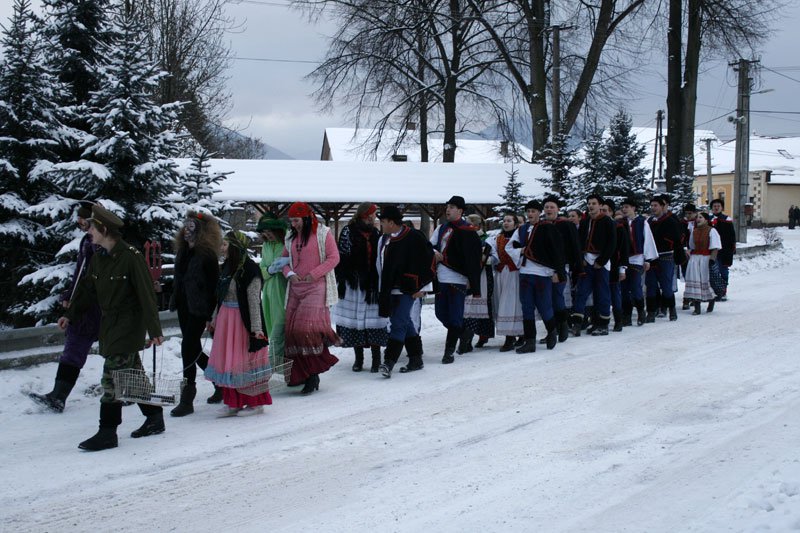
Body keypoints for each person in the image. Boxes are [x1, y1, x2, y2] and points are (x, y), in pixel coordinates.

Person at [58, 204, 164, 452]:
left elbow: (147, 295)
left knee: (112, 379)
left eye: (92, 228)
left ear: (104, 230)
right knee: (133, 377)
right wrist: (69, 315)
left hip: (128, 326)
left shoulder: (131, 257)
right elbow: (87, 290)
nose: (89, 232)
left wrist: (155, 331)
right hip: (110, 325)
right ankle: (154, 418)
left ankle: (107, 432)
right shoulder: (100, 257)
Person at [30, 202, 101, 413]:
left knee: (117, 350)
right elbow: (79, 273)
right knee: (75, 346)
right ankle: (58, 395)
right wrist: (70, 295)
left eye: (83, 220)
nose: (79, 223)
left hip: (96, 305)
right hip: (83, 304)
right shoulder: (87, 241)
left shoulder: (100, 244)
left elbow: (93, 278)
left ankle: (133, 390)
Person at [204, 231, 272, 417]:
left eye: (225, 245)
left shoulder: (250, 270)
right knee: (229, 362)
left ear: (235, 247)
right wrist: (215, 318)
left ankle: (255, 403)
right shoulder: (227, 267)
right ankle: (233, 402)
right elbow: (221, 296)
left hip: (242, 321)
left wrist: (257, 329)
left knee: (243, 363)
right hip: (226, 319)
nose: (221, 248)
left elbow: (254, 301)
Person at [281, 202, 340, 393]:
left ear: (306, 218)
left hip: (316, 287)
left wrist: (314, 274)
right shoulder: (290, 236)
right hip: (295, 288)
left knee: (305, 330)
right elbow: (283, 262)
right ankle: (299, 374)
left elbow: (334, 258)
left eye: (296, 221)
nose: (294, 224)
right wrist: (289, 273)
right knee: (291, 331)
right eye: (291, 221)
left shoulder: (323, 233)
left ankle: (312, 375)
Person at [168, 211, 222, 417]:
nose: (187, 230)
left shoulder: (207, 255)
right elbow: (180, 278)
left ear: (200, 232)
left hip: (200, 308)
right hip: (183, 305)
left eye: (192, 227)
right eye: (186, 226)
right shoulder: (183, 252)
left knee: (187, 346)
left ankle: (187, 397)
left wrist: (211, 314)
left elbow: (214, 286)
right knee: (194, 348)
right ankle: (219, 382)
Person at [375, 206, 435, 377]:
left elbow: (428, 261)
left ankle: (389, 362)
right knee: (405, 322)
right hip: (390, 289)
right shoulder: (384, 239)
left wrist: (423, 288)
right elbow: (380, 265)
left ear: (391, 222)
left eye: (383, 222)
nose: (381, 225)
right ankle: (416, 358)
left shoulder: (414, 236)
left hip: (409, 289)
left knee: (398, 323)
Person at [332, 202, 388, 373]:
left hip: (372, 284)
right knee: (356, 321)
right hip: (354, 283)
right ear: (366, 215)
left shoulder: (376, 233)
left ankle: (376, 359)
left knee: (373, 320)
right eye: (373, 214)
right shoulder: (348, 231)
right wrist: (351, 275)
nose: (375, 217)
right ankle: (359, 359)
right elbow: (343, 255)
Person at [505, 200, 566, 352]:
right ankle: (530, 341)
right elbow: (509, 247)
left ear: (539, 213)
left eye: (533, 211)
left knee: (544, 305)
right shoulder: (522, 229)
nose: (530, 214)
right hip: (525, 273)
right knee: (526, 307)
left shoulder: (548, 228)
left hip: (542, 273)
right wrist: (520, 251)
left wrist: (557, 272)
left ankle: (552, 331)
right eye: (528, 211)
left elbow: (557, 251)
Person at [430, 195, 482, 364]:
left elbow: (473, 259)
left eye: (452, 207)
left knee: (454, 316)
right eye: (447, 207)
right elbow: (430, 246)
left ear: (460, 211)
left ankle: (449, 352)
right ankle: (464, 332)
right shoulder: (441, 228)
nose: (448, 210)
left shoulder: (468, 230)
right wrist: (434, 253)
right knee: (440, 313)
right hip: (441, 277)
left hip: (458, 278)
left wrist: (473, 282)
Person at [571, 194, 616, 336]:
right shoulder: (585, 222)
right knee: (581, 292)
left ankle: (602, 324)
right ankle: (577, 323)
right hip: (587, 261)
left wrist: (601, 261)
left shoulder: (607, 221)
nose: (591, 206)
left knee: (602, 293)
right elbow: (578, 242)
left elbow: (611, 243)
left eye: (594, 203)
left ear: (600, 205)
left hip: (601, 263)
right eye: (589, 203)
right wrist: (581, 259)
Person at [543, 197, 581, 343]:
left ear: (558, 209)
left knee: (557, 296)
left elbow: (575, 246)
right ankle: (552, 331)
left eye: (552, 207)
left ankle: (563, 325)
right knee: (546, 300)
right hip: (543, 267)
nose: (549, 209)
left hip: (561, 266)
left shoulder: (566, 225)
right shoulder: (541, 225)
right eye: (546, 207)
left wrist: (577, 266)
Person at [257, 212, 289, 378]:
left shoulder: (287, 242)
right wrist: (269, 270)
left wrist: (286, 266)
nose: (267, 234)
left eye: (269, 231)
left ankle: (271, 367)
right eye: (264, 232)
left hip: (283, 290)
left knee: (278, 329)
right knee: (273, 330)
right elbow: (261, 268)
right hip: (269, 292)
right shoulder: (266, 246)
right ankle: (280, 368)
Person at [487, 213, 524, 351]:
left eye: (509, 221)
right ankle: (511, 335)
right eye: (504, 221)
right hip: (501, 274)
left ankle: (516, 335)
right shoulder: (498, 238)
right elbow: (494, 254)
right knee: (502, 303)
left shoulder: (519, 238)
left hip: (514, 274)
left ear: (515, 224)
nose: (506, 223)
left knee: (513, 304)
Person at [646, 195, 685, 322]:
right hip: (651, 257)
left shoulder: (670, 221)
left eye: (656, 205)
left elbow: (678, 239)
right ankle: (651, 312)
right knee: (651, 285)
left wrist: (668, 245)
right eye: (652, 205)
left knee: (666, 285)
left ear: (662, 206)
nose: (653, 208)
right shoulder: (649, 222)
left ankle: (672, 309)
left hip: (666, 256)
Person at [620, 198, 657, 326]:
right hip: (624, 259)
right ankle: (627, 315)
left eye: (627, 207)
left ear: (633, 208)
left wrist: (647, 259)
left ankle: (641, 311)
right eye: (623, 207)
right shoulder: (620, 223)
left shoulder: (642, 222)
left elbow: (648, 240)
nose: (624, 209)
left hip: (637, 258)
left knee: (635, 286)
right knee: (624, 288)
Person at [461, 214, 495, 352]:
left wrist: (484, 259)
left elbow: (494, 258)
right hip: (467, 275)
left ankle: (482, 335)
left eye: (468, 223)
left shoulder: (487, 240)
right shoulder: (464, 236)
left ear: (476, 225)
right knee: (467, 308)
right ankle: (466, 339)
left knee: (482, 306)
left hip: (483, 276)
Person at [684, 212, 721, 314]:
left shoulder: (711, 230)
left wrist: (712, 260)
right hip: (695, 259)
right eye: (697, 217)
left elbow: (715, 247)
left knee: (705, 281)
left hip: (706, 259)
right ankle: (697, 307)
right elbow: (692, 245)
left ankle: (711, 300)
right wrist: (689, 253)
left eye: (700, 217)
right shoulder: (694, 231)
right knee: (695, 280)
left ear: (706, 220)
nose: (698, 219)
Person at [602, 200, 630, 332]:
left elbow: (624, 250)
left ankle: (618, 320)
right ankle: (601, 320)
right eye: (601, 210)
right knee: (601, 294)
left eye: (605, 211)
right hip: (601, 265)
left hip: (614, 265)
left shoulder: (618, 228)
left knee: (614, 293)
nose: (602, 213)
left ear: (611, 212)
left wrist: (622, 268)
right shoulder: (596, 226)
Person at [709, 199, 736, 301]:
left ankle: (723, 292)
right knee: (712, 272)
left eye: (718, 206)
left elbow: (732, 236)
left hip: (724, 250)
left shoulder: (727, 220)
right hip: (711, 250)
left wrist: (732, 248)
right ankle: (715, 291)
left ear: (722, 208)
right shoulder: (708, 219)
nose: (716, 208)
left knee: (723, 271)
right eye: (714, 206)